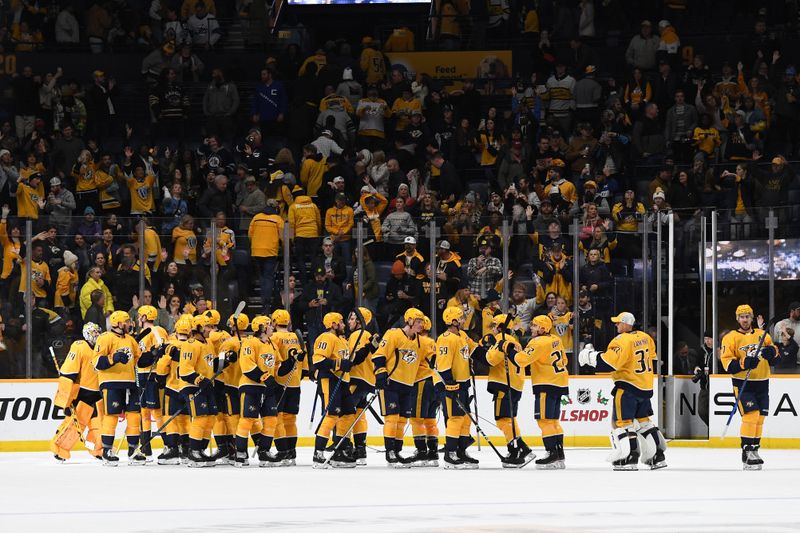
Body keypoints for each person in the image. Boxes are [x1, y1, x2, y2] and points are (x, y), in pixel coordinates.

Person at [579, 312, 667, 471]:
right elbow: (653, 359)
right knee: (644, 422)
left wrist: (589, 356)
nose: (616, 325)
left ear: (626, 324)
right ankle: (658, 456)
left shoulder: (621, 340)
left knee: (622, 424)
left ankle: (628, 457)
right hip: (645, 386)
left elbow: (608, 364)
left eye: (618, 322)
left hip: (627, 387)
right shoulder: (645, 337)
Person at [719, 306, 778, 470]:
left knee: (760, 418)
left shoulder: (761, 335)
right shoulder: (730, 338)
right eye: (742, 317)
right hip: (743, 383)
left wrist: (771, 352)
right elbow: (728, 364)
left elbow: (775, 357)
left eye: (747, 316)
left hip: (762, 381)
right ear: (737, 318)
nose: (745, 319)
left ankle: (755, 449)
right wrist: (744, 363)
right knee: (751, 415)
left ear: (752, 318)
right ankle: (747, 451)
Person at [372, 307, 428, 467]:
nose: (420, 325)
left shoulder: (419, 341)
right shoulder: (393, 334)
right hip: (391, 383)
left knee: (402, 420)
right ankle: (390, 452)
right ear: (409, 321)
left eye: (422, 322)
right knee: (392, 418)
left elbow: (425, 362)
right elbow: (379, 354)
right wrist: (381, 372)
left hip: (407, 385)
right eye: (418, 321)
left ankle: (397, 451)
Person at [511, 315, 568, 469]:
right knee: (554, 421)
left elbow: (521, 360)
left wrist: (509, 350)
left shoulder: (538, 342)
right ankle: (559, 454)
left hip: (546, 384)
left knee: (544, 420)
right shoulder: (556, 339)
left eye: (535, 326)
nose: (532, 328)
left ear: (543, 328)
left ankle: (551, 453)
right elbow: (565, 361)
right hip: (560, 383)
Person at [92, 311, 149, 465]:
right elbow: (96, 363)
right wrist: (113, 358)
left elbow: (139, 360)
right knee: (111, 417)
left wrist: (153, 355)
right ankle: (107, 450)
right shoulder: (105, 338)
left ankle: (133, 450)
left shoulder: (130, 340)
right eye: (126, 322)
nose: (129, 324)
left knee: (134, 416)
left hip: (130, 383)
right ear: (117, 323)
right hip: (111, 383)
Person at [479, 313, 535, 467]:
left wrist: (477, 349)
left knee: (502, 419)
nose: (493, 330)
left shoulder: (502, 340)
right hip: (516, 385)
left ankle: (518, 449)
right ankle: (521, 448)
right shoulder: (515, 341)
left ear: (500, 327)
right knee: (509, 419)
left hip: (504, 384)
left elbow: (490, 360)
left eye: (495, 326)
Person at [435, 306, 483, 469]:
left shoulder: (462, 335)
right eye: (461, 318)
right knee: (455, 418)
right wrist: (449, 383)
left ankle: (461, 451)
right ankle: (450, 453)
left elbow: (475, 350)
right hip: (450, 384)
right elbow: (442, 365)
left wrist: (491, 353)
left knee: (464, 418)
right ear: (453, 321)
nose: (464, 320)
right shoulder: (446, 338)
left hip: (463, 383)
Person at [50, 322, 104, 461]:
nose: (97, 336)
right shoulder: (79, 347)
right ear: (86, 334)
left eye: (98, 332)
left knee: (99, 425)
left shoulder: (102, 347)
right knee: (75, 425)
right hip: (83, 393)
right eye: (93, 333)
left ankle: (98, 449)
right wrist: (66, 401)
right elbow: (69, 373)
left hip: (98, 394)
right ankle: (60, 449)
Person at [311, 312, 357, 468]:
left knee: (349, 413)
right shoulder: (326, 337)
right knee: (331, 415)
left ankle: (340, 450)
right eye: (341, 322)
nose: (343, 325)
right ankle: (318, 453)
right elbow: (318, 360)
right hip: (330, 380)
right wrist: (338, 364)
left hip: (343, 381)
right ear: (333, 324)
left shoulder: (341, 340)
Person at [179, 313, 223, 467]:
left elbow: (211, 364)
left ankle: (201, 450)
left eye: (211, 326)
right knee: (201, 417)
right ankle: (193, 451)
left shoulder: (208, 344)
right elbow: (184, 370)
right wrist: (199, 379)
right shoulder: (190, 344)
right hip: (192, 386)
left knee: (211, 418)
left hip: (207, 386)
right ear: (198, 328)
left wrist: (226, 361)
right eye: (207, 326)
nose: (210, 329)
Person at [270, 308, 305, 465]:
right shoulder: (295, 337)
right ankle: (292, 453)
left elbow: (273, 358)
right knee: (291, 419)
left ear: (274, 322)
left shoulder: (275, 337)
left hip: (281, 381)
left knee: (278, 418)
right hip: (295, 382)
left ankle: (283, 452)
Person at [346, 307, 381, 465]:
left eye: (352, 318)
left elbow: (356, 357)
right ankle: (360, 450)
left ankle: (345, 447)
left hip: (356, 379)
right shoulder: (368, 336)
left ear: (360, 321)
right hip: (367, 381)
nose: (349, 321)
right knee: (359, 415)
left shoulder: (358, 335)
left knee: (346, 414)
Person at [405, 315, 439, 467]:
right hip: (434, 383)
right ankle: (433, 452)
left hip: (421, 381)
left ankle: (421, 452)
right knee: (430, 419)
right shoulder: (432, 342)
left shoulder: (419, 342)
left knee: (417, 419)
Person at [135, 305, 168, 459]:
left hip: (153, 374)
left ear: (145, 317)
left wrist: (156, 355)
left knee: (156, 411)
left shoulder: (157, 330)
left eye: (140, 315)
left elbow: (163, 349)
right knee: (144, 411)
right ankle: (146, 447)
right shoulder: (142, 333)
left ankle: (168, 445)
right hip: (141, 374)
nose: (138, 318)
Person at [249, 201, 284, 312]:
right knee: (268, 277)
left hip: (256, 251)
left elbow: (250, 234)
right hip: (270, 252)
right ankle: (266, 304)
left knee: (262, 278)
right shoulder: (278, 219)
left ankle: (263, 300)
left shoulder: (256, 217)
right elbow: (284, 237)